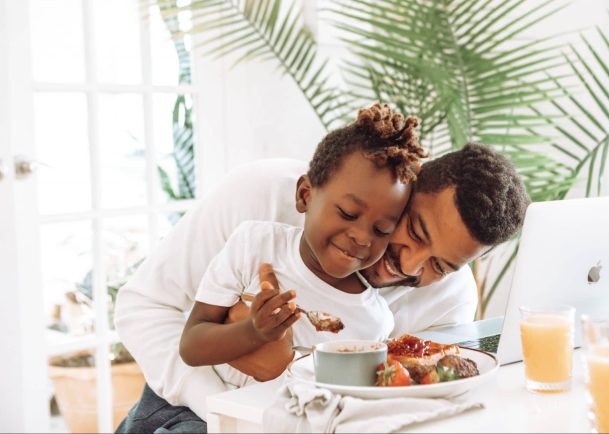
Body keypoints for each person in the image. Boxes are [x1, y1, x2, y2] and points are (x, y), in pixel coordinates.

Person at [115, 136, 529, 432]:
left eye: (441, 264)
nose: (410, 264)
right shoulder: (265, 200)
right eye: (416, 231)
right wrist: (234, 414)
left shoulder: (449, 301)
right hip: (187, 409)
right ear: (409, 183)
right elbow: (143, 307)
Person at [178, 103, 425, 390]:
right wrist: (254, 331)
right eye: (347, 213)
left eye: (382, 229)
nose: (361, 237)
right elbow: (191, 346)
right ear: (305, 195)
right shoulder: (255, 245)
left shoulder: (373, 321)